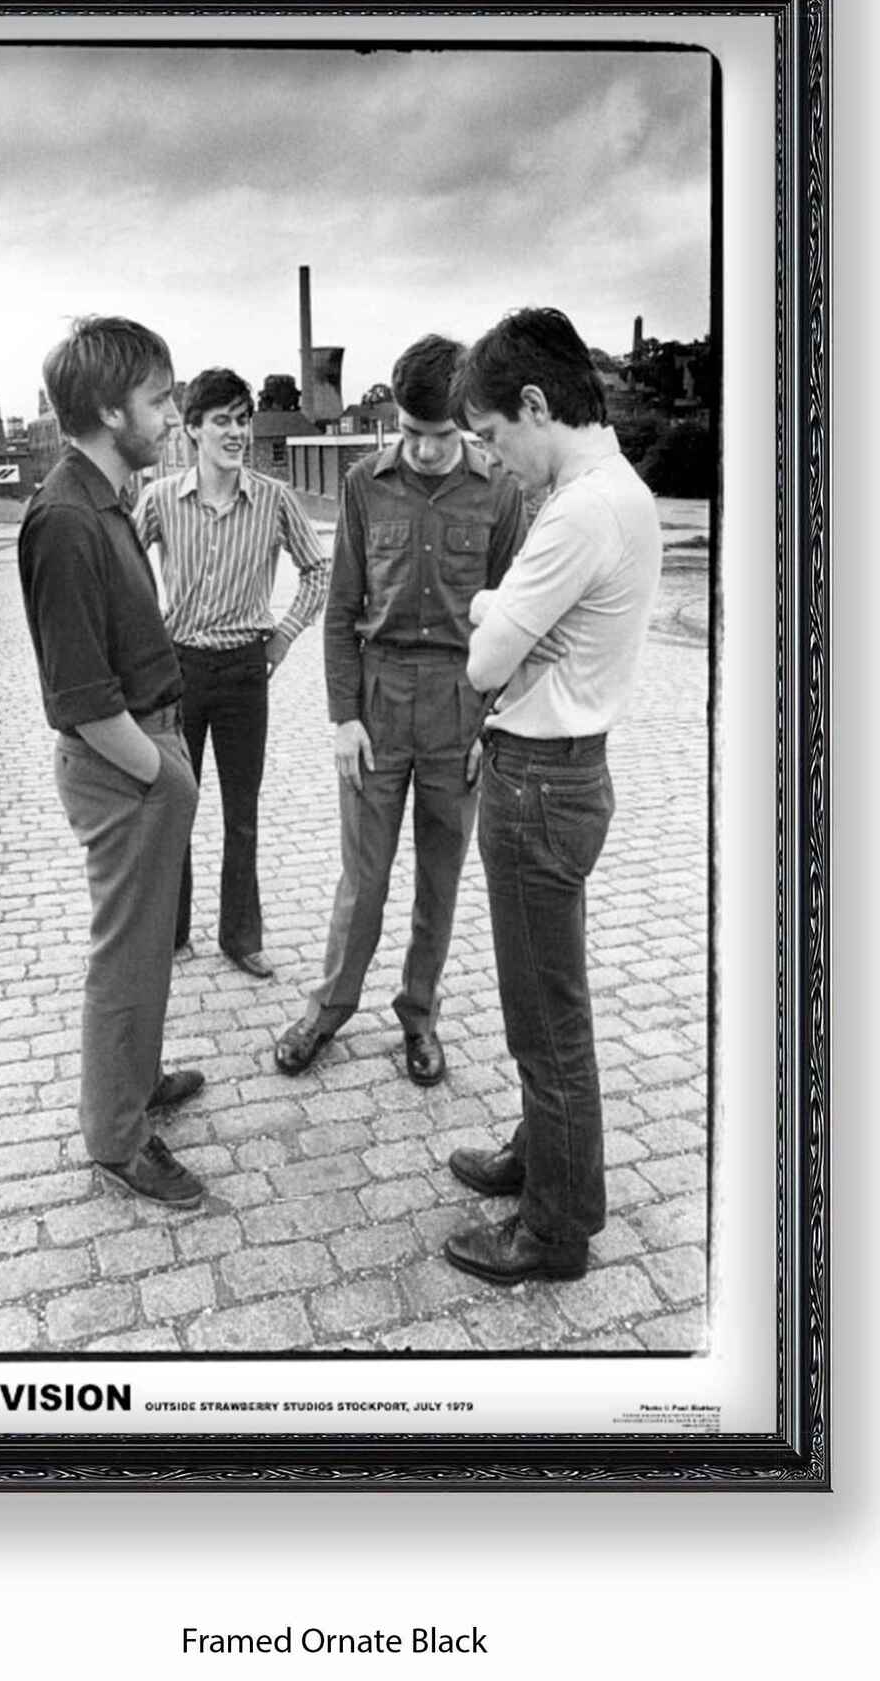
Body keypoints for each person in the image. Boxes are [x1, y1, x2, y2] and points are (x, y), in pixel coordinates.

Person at [442, 306, 663, 1284]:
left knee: (546, 1019)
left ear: (535, 404)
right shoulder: (616, 492)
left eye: (493, 435)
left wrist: (489, 605)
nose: (494, 459)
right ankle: (539, 1154)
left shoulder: (579, 510)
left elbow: (484, 659)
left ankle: (554, 1228)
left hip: (538, 782)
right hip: (563, 772)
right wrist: (509, 613)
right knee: (544, 1002)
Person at [274, 334, 527, 1087]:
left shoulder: (500, 491)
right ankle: (328, 1009)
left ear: (466, 424)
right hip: (378, 704)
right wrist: (343, 718)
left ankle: (419, 1015)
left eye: (440, 434)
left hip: (460, 702)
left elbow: (511, 620)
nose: (423, 449)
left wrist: (491, 722)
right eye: (411, 432)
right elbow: (340, 608)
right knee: (363, 878)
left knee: (439, 879)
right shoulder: (363, 484)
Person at [17, 316, 206, 1211]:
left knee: (146, 947)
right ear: (107, 409)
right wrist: (161, 773)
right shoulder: (64, 518)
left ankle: (135, 1077)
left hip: (145, 749)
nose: (171, 416)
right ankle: (118, 1136)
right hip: (123, 763)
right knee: (126, 958)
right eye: (158, 400)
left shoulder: (105, 498)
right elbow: (82, 695)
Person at [133, 367, 329, 979]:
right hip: (179, 670)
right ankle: (170, 932)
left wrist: (285, 635)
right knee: (175, 806)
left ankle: (241, 937)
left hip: (246, 670)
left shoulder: (273, 499)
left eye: (243, 420)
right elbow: (122, 569)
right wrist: (145, 644)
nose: (236, 432)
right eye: (222, 421)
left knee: (242, 812)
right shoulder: (160, 499)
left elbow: (318, 570)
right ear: (192, 429)